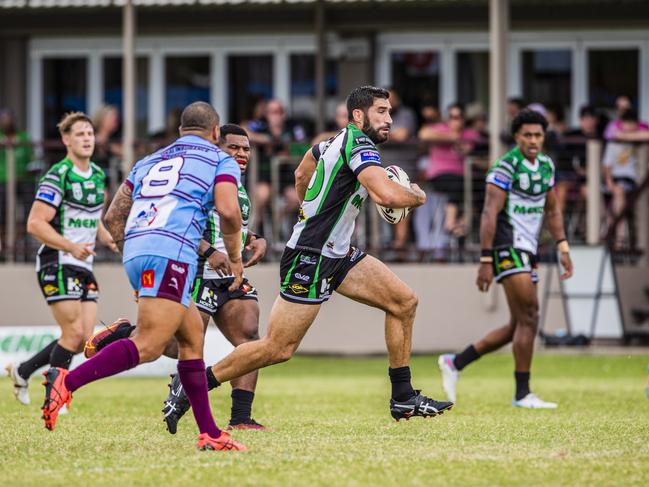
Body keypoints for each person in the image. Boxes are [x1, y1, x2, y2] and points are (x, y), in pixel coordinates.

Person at [186, 86, 453, 422]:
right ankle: (193, 385)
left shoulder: (334, 141)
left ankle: (402, 396)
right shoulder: (358, 142)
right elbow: (385, 195)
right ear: (359, 115)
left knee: (404, 301)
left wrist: (310, 208)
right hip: (310, 255)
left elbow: (303, 170)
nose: (388, 119)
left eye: (389, 112)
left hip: (336, 252)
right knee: (278, 348)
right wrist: (415, 196)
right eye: (381, 112)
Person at [39, 102, 248, 452]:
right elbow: (229, 212)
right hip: (173, 252)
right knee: (150, 345)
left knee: (192, 337)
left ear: (181, 131)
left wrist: (140, 261)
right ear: (216, 133)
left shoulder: (148, 161)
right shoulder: (218, 159)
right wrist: (236, 257)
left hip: (139, 249)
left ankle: (209, 432)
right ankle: (66, 381)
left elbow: (114, 217)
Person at [85, 124, 269, 433]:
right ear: (216, 147)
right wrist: (209, 250)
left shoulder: (234, 182)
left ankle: (241, 418)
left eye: (246, 149)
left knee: (249, 335)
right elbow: (175, 219)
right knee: (171, 345)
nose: (241, 154)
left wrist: (255, 238)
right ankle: (125, 333)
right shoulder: (202, 173)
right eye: (233, 147)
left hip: (229, 275)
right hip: (196, 270)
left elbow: (228, 221)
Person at [438, 109, 574, 409]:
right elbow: (489, 212)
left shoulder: (547, 166)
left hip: (529, 249)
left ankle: (455, 362)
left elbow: (552, 210)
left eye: (538, 135)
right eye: (527, 135)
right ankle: (522, 394)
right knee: (530, 316)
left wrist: (563, 246)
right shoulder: (505, 167)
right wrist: (486, 260)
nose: (533, 140)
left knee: (519, 324)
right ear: (517, 137)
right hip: (505, 247)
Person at [5, 112, 117, 405]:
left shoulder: (97, 174)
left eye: (90, 134)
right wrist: (69, 245)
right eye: (79, 134)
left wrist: (107, 237)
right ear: (66, 140)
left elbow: (93, 217)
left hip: (84, 264)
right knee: (73, 331)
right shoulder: (58, 175)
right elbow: (35, 224)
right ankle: (55, 397)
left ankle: (22, 370)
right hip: (57, 261)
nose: (87, 139)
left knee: (82, 340)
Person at [416, 103, 480, 256]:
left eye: (458, 117)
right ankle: (450, 223)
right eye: (452, 117)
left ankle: (462, 224)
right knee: (457, 183)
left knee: (480, 187)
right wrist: (451, 137)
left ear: (464, 120)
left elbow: (479, 140)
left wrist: (469, 148)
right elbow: (423, 134)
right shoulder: (440, 129)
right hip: (439, 175)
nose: (455, 121)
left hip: (464, 177)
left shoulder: (469, 134)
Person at [602, 108, 645, 249]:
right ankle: (618, 235)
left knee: (618, 193)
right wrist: (609, 182)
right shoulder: (613, 140)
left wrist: (626, 137)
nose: (629, 127)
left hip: (630, 181)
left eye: (632, 124)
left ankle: (613, 235)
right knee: (617, 195)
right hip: (614, 180)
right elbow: (606, 165)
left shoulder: (638, 138)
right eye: (627, 123)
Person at [555, 105, 600, 212]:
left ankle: (588, 226)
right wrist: (577, 170)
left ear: (596, 120)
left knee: (588, 192)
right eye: (585, 119)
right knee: (561, 190)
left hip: (593, 179)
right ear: (580, 120)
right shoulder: (571, 136)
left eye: (591, 118)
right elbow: (562, 158)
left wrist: (590, 171)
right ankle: (557, 227)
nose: (588, 122)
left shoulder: (601, 137)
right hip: (572, 176)